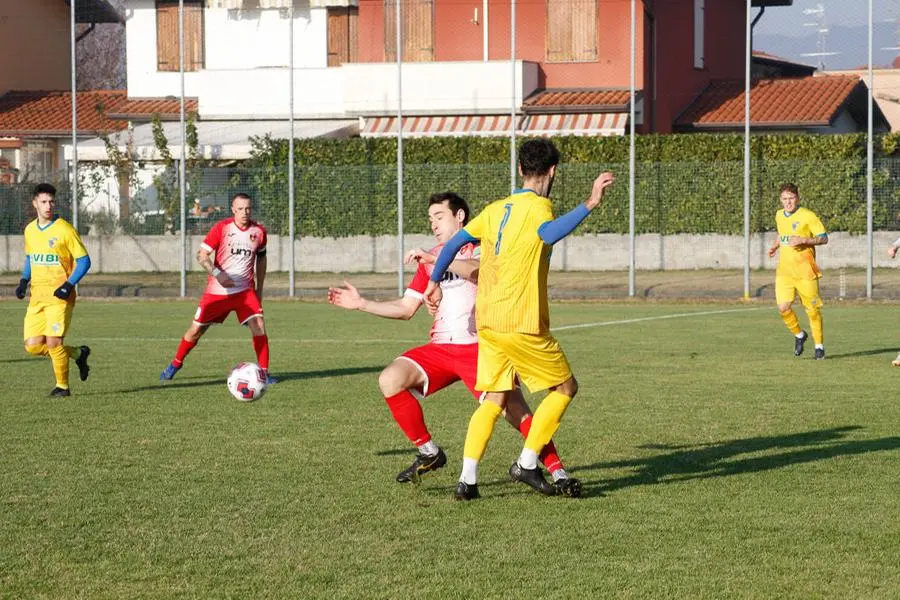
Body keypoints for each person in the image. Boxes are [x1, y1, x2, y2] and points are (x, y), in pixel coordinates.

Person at [328, 192, 580, 495]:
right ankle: (429, 452)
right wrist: (362, 304)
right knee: (390, 379)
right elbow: (407, 309)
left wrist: (440, 258)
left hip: (480, 347)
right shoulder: (430, 258)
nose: (433, 224)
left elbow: (480, 272)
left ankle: (557, 471)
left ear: (460, 217)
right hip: (441, 349)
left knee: (516, 413)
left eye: (440, 217)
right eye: (430, 219)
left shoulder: (487, 245)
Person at [424, 140, 614, 500]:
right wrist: (590, 202)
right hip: (521, 321)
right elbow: (549, 233)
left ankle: (467, 480)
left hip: (489, 321)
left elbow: (450, 247)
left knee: (494, 398)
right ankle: (527, 463)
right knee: (565, 388)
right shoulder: (540, 207)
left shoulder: (496, 209)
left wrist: (434, 283)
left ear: (521, 170)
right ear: (553, 171)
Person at [160, 193, 276, 383]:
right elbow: (201, 255)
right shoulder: (222, 228)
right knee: (196, 330)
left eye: (248, 208)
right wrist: (217, 274)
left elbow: (261, 260)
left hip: (245, 293)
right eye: (240, 209)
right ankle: (175, 363)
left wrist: (259, 290)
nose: (244, 213)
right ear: (233, 209)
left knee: (259, 326)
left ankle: (264, 373)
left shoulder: (259, 232)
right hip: (217, 292)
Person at [16, 183, 92, 397]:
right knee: (32, 346)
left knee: (53, 342)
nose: (48, 206)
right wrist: (23, 280)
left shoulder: (65, 230)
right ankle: (78, 354)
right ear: (35, 204)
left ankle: (63, 387)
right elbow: (31, 257)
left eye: (51, 201)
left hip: (60, 298)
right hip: (37, 298)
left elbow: (84, 261)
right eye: (43, 202)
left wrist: (68, 285)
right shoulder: (30, 230)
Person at [767, 182, 828, 360]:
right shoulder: (779, 215)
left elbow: (824, 238)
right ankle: (800, 335)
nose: (788, 202)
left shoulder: (808, 216)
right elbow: (781, 233)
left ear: (798, 198)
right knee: (783, 308)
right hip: (785, 273)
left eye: (791, 198)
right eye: (785, 199)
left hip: (805, 272)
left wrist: (804, 240)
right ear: (780, 200)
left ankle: (819, 347)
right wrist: (774, 246)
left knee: (812, 310)